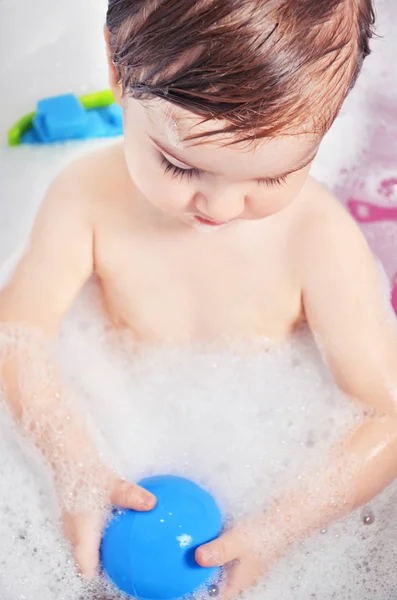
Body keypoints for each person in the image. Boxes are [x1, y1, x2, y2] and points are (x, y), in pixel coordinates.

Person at [2, 1, 397, 598]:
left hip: (265, 459)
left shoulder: (317, 241)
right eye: (179, 166)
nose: (220, 208)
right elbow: (17, 332)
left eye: (270, 178)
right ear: (115, 71)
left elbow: (386, 416)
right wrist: (73, 464)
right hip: (119, 431)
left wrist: (278, 527)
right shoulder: (86, 197)